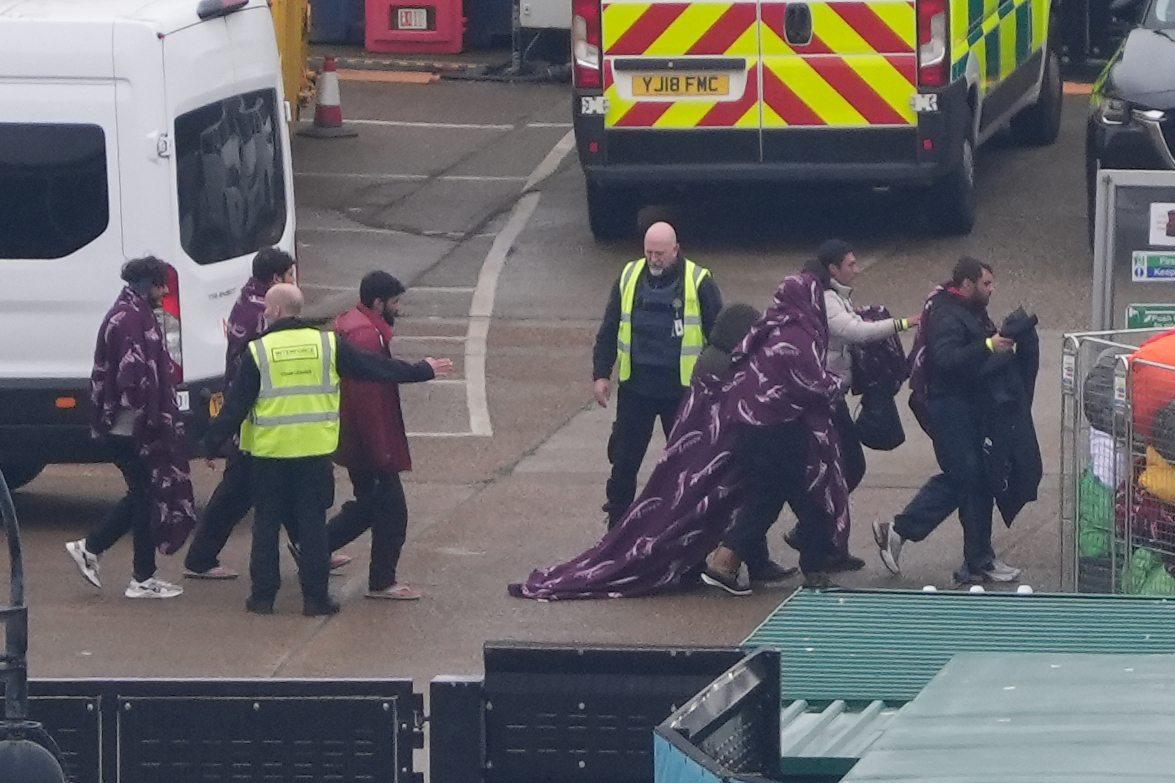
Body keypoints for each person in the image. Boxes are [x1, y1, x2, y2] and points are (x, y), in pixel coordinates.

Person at [510, 271, 848, 600]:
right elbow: (810, 384)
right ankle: (756, 562)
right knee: (791, 496)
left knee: (765, 498)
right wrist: (841, 382)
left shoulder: (763, 332)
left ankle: (754, 561)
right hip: (775, 433)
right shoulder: (794, 337)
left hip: (748, 431)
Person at [202, 284, 451, 615]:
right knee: (313, 527)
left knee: (266, 527)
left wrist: (210, 443)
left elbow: (236, 407)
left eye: (267, 309)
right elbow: (374, 369)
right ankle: (315, 599)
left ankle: (263, 597)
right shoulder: (327, 344)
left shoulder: (258, 351)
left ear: (276, 311)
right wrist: (422, 370)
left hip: (270, 455)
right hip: (314, 454)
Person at [182, 248, 358, 578]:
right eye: (290, 275)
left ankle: (311, 550)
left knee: (273, 491)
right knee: (235, 494)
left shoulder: (251, 301)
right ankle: (202, 559)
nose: (294, 280)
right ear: (277, 279)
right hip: (256, 419)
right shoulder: (263, 313)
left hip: (257, 417)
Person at [872, 258, 1022, 584]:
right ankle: (901, 530)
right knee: (966, 475)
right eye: (986, 284)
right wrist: (987, 345)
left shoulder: (969, 310)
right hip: (947, 407)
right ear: (966, 284)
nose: (991, 290)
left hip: (968, 405)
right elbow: (945, 359)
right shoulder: (946, 314)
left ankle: (978, 559)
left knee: (978, 477)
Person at [779, 240, 920, 572]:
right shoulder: (828, 300)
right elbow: (853, 332)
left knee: (845, 470)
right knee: (847, 467)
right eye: (851, 264)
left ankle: (825, 540)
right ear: (833, 269)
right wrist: (902, 324)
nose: (857, 268)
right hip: (824, 399)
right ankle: (814, 534)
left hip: (834, 395)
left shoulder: (836, 297)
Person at [66, 257, 197, 599]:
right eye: (161, 284)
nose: (166, 291)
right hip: (129, 429)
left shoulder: (132, 313)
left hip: (131, 426)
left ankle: (131, 570)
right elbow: (133, 379)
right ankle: (106, 556)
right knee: (145, 493)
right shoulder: (129, 319)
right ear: (147, 284)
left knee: (143, 494)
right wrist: (152, 417)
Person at [593, 221, 722, 530]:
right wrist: (601, 373)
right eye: (649, 253)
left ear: (675, 250)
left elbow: (720, 335)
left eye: (660, 254)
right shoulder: (629, 277)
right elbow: (610, 327)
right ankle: (616, 528)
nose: (654, 260)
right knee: (624, 461)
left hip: (680, 393)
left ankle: (687, 530)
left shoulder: (699, 281)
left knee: (687, 465)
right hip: (636, 388)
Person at [326, 271, 425, 600]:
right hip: (370, 444)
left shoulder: (352, 324)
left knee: (369, 506)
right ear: (378, 302)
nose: (399, 309)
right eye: (394, 303)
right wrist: (382, 451)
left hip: (356, 440)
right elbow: (369, 401)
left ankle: (315, 547)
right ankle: (382, 581)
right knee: (392, 511)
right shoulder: (368, 336)